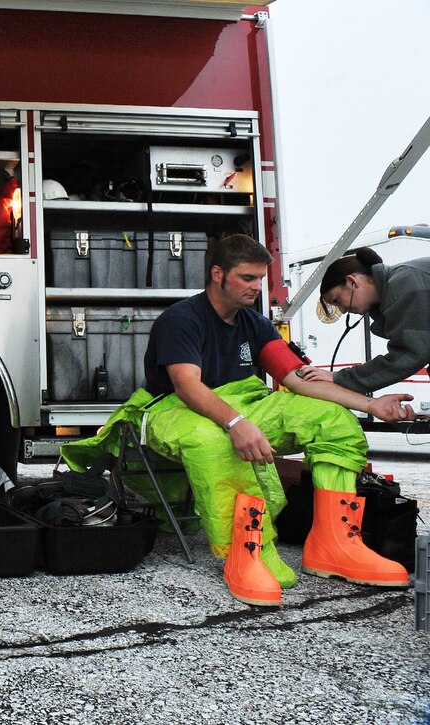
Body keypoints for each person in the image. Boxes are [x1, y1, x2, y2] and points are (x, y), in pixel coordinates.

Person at [62, 234, 415, 607]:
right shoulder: (181, 319)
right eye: (247, 278)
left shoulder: (256, 324)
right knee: (215, 441)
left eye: (260, 279)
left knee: (334, 421)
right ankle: (247, 551)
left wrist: (371, 406)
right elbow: (187, 387)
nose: (256, 287)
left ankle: (334, 545)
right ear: (218, 274)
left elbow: (296, 380)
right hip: (171, 409)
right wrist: (236, 425)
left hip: (242, 402)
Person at [298, 246, 430, 393]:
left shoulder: (405, 282)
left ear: (352, 282)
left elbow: (409, 354)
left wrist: (339, 378)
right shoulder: (398, 286)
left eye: (337, 300)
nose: (342, 310)